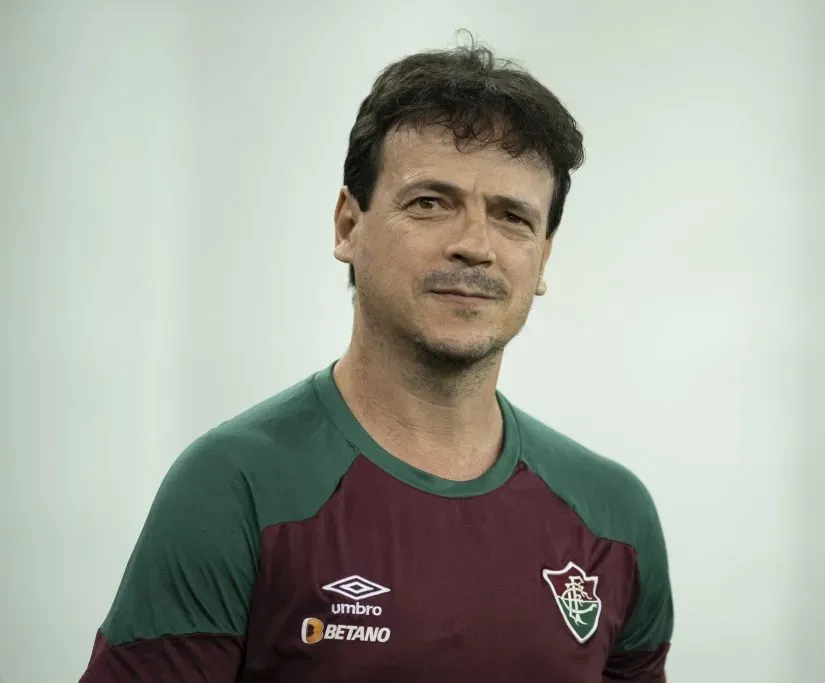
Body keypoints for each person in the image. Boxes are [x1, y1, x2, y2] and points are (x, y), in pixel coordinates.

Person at [80, 37, 673, 682]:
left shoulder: (614, 517)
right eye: (431, 203)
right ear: (347, 226)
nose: (475, 245)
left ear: (542, 258)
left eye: (512, 217)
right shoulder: (234, 486)